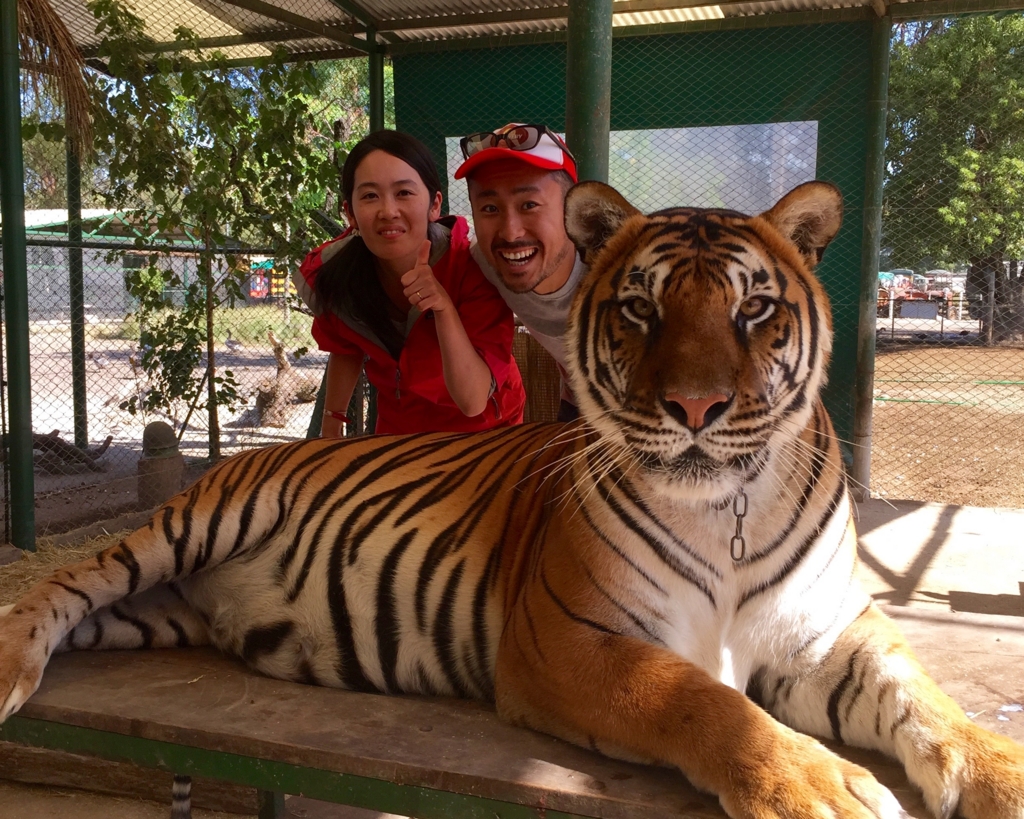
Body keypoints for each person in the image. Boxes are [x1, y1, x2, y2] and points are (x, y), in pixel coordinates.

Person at [295, 130, 525, 436]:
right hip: (400, 434)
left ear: (434, 205)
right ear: (350, 212)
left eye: (404, 193)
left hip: (486, 434)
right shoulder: (334, 274)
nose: (388, 212)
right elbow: (346, 345)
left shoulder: (474, 265)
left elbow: (473, 401)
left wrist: (442, 307)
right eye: (369, 196)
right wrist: (331, 428)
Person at [455, 123, 584, 422]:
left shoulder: (619, 265)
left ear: (572, 208)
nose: (511, 234)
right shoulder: (483, 261)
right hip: (579, 402)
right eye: (489, 209)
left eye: (529, 205)